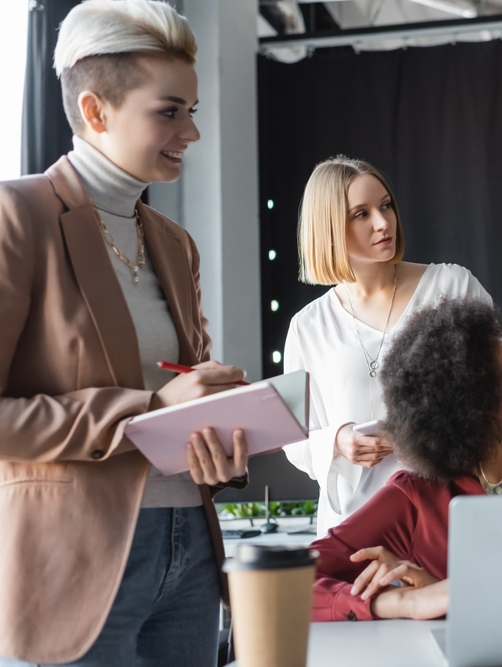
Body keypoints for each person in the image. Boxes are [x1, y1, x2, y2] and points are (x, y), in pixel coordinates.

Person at [0, 2, 250, 665]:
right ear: (95, 112)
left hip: (190, 551)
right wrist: (147, 411)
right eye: (170, 111)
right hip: (73, 565)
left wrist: (219, 429)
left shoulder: (175, 245)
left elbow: (180, 400)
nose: (191, 131)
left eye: (192, 110)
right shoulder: (16, 217)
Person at [309, 299, 502, 621]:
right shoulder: (414, 499)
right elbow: (288, 583)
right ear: (482, 413)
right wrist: (406, 602)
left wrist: (449, 592)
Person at [282, 157, 497, 535]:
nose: (383, 223)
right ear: (329, 227)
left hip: (447, 516)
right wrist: (337, 440)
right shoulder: (307, 326)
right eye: (360, 214)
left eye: (385, 206)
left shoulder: (451, 287)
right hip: (354, 525)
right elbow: (293, 437)